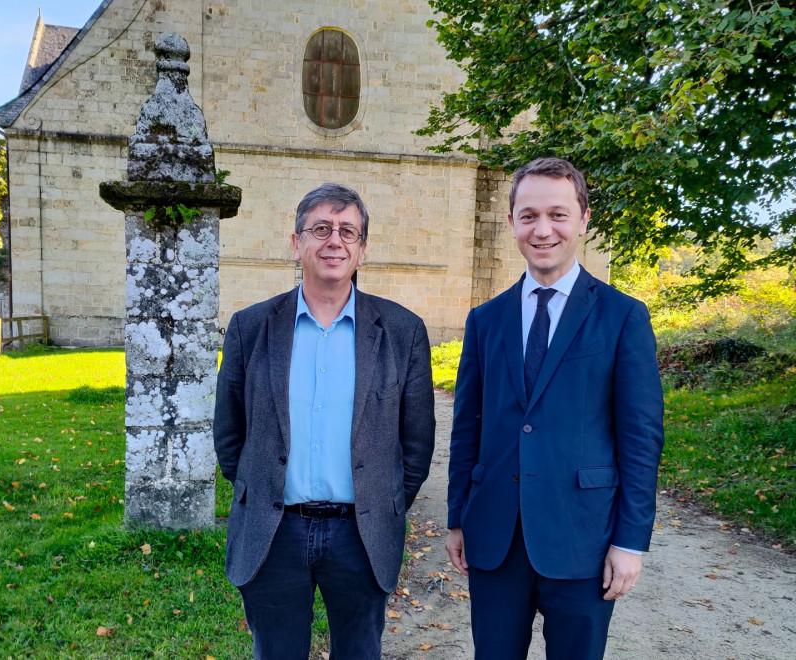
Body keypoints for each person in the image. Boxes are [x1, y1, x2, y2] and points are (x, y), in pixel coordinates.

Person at [446, 158, 664, 659]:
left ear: (584, 219)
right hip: (496, 537)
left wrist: (631, 542)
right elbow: (468, 426)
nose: (543, 230)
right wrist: (458, 516)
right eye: (529, 216)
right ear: (511, 223)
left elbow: (640, 437)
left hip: (583, 537)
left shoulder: (623, 316)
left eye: (558, 215)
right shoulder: (487, 319)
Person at [214, 182, 435, 660]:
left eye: (347, 231)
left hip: (361, 533)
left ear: (362, 249)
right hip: (274, 533)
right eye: (320, 229)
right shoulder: (250, 328)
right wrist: (264, 486)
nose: (334, 241)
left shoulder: (401, 331)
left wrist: (383, 498)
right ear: (297, 243)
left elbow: (416, 446)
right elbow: (230, 436)